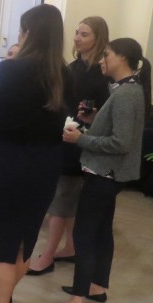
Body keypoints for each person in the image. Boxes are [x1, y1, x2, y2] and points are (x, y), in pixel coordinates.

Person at [0, 4, 71, 303]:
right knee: (23, 240)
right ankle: (3, 296)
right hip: (44, 166)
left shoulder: (6, 71)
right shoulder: (65, 75)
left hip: (3, 164)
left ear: (28, 33)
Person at [41, 38, 150, 303]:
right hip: (108, 174)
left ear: (122, 58)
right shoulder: (127, 89)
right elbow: (116, 129)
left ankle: (77, 302)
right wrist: (93, 120)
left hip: (104, 173)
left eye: (107, 55)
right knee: (101, 231)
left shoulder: (126, 93)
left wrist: (80, 139)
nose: (102, 61)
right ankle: (97, 286)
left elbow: (121, 143)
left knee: (84, 234)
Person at [28, 16, 110, 275]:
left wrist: (90, 116)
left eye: (84, 34)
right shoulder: (73, 68)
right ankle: (70, 247)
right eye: (76, 33)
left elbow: (106, 113)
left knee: (62, 198)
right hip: (64, 136)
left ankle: (47, 255)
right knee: (67, 197)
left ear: (98, 38)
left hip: (81, 140)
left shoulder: (101, 73)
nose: (77, 38)